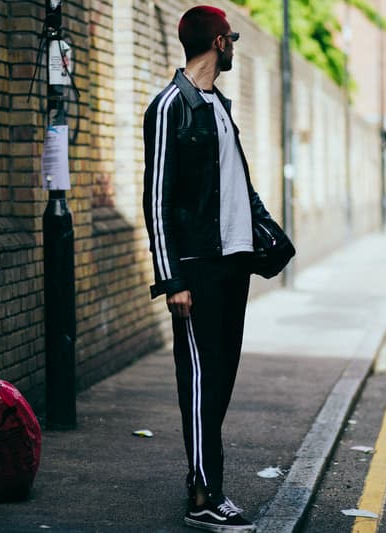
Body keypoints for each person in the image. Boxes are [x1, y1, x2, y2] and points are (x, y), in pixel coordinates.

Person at [142, 5, 274, 532]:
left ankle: (204, 481)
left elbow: (236, 184)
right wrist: (171, 279)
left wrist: (263, 232)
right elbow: (156, 199)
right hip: (196, 269)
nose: (235, 45)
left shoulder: (217, 105)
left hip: (232, 264)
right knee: (198, 380)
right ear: (220, 42)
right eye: (232, 38)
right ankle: (204, 495)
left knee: (217, 380)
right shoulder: (170, 105)